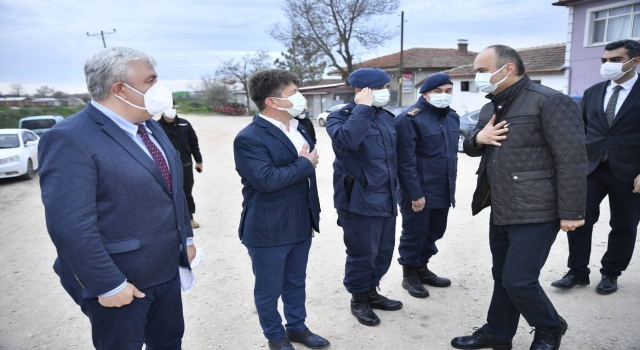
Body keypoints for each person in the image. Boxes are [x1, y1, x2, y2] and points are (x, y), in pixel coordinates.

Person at [38, 47, 196, 350]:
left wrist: (185, 240)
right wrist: (108, 284)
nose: (159, 87)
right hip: (122, 283)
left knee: (169, 342)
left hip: (165, 272)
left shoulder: (149, 125)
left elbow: (172, 191)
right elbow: (70, 225)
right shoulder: (69, 138)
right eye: (150, 80)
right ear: (120, 89)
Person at [451, 45, 587, 350]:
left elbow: (573, 159)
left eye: (482, 70)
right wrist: (477, 138)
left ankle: (550, 327)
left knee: (518, 280)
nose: (477, 76)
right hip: (501, 206)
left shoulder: (550, 102)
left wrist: (572, 210)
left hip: (537, 209)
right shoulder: (492, 106)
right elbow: (475, 147)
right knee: (502, 275)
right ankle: (498, 333)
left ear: (508, 68)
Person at [233, 69, 329, 350]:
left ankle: (297, 328)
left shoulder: (300, 127)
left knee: (296, 282)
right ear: (272, 102)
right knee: (268, 289)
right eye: (293, 94)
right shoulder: (249, 137)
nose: (300, 98)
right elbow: (266, 180)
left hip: (301, 221)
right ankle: (275, 337)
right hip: (268, 227)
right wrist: (304, 164)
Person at [551, 39, 640, 295]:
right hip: (590, 169)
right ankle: (577, 271)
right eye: (604, 60)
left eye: (615, 60)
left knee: (624, 225)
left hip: (629, 172)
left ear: (635, 61)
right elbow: (580, 131)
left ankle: (611, 273)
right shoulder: (593, 92)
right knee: (579, 219)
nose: (608, 65)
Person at [326, 68, 403, 327]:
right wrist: (363, 109)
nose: (386, 92)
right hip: (359, 199)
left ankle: (371, 291)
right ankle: (358, 298)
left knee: (383, 252)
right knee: (362, 253)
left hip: (386, 196)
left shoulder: (386, 118)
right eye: (379, 88)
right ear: (361, 91)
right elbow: (348, 140)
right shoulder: (340, 118)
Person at [395, 73, 459, 299]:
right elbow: (405, 161)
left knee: (435, 231)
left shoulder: (452, 117)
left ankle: (423, 267)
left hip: (442, 188)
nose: (444, 96)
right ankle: (409, 274)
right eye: (438, 91)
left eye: (448, 91)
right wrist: (414, 193)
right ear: (425, 94)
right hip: (419, 190)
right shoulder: (410, 119)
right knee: (414, 233)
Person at [158, 102, 203, 228]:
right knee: (167, 193)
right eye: (167, 108)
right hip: (165, 166)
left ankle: (189, 218)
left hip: (185, 164)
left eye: (172, 107)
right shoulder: (156, 126)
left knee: (186, 191)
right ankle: (171, 220)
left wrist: (199, 161)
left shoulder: (185, 124)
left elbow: (194, 144)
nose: (171, 110)